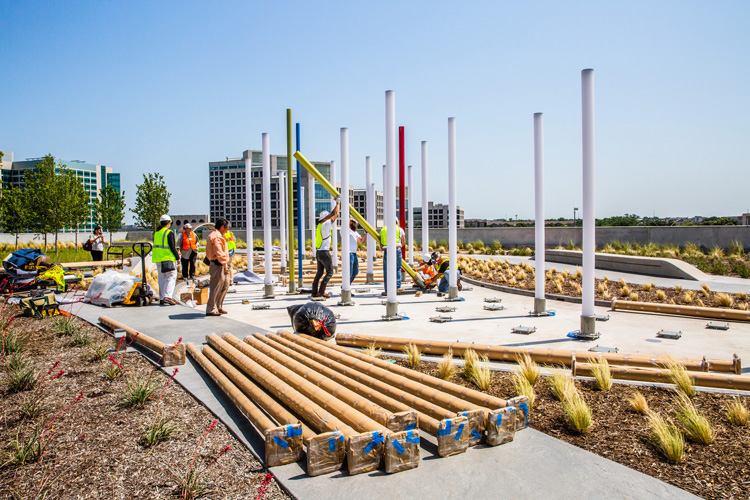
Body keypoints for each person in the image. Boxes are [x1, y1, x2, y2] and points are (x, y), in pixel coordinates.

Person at [312, 202, 339, 298]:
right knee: (330, 271)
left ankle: (314, 292)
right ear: (325, 218)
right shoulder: (326, 224)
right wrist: (338, 204)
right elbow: (335, 215)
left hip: (319, 252)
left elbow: (332, 214)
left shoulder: (319, 226)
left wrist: (336, 204)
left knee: (319, 273)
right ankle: (321, 292)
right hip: (324, 252)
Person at [205, 218, 231, 316]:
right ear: (222, 227)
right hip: (218, 264)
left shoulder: (219, 236)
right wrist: (225, 264)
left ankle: (218, 306)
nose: (227, 230)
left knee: (225, 285)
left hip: (220, 264)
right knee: (215, 287)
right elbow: (219, 252)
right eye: (227, 227)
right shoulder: (216, 237)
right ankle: (211, 309)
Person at [152, 215, 180, 305]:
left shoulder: (157, 233)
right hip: (168, 258)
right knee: (171, 277)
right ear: (169, 223)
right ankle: (168, 296)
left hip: (158, 258)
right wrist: (177, 257)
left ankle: (162, 297)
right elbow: (172, 247)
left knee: (162, 278)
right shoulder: (169, 232)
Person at [380, 218, 405, 293]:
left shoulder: (383, 229)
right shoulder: (400, 229)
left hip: (387, 250)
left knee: (386, 270)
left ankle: (387, 289)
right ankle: (397, 287)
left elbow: (381, 244)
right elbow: (403, 241)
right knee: (397, 269)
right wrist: (399, 247)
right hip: (396, 250)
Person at [344, 219, 367, 284]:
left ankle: (347, 284)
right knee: (349, 272)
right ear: (350, 222)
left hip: (354, 253)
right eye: (354, 223)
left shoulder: (354, 232)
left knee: (355, 271)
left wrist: (365, 233)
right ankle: (346, 286)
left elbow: (361, 241)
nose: (355, 225)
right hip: (348, 253)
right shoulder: (345, 230)